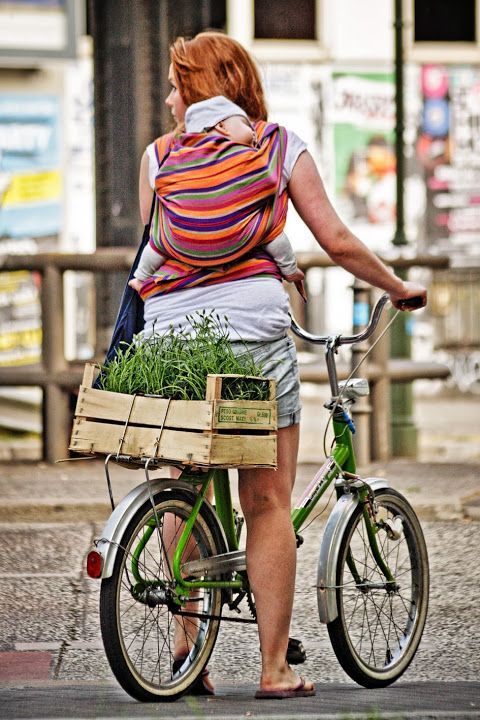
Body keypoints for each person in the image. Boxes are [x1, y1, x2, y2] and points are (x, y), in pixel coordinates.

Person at [136, 31, 426, 699]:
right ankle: (274, 670)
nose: (172, 97)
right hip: (252, 331)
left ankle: (187, 648)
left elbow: (155, 246)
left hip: (171, 336)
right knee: (266, 500)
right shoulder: (276, 144)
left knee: (183, 475)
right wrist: (395, 285)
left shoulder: (160, 156)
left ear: (202, 87)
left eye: (180, 83)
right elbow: (336, 237)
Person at [129, 95, 306, 301]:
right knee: (272, 232)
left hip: (179, 241)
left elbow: (163, 184)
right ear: (222, 126)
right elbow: (268, 182)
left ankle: (140, 278)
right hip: (242, 239)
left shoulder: (176, 157)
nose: (255, 135)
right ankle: (290, 269)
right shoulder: (246, 157)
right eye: (246, 125)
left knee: (156, 244)